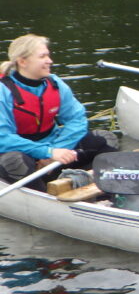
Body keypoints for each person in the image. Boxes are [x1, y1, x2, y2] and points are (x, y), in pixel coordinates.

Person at [0, 35, 117, 190]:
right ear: (23, 62)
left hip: (53, 150)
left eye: (48, 55)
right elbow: (4, 138)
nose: (50, 60)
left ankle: (88, 187)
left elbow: (77, 120)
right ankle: (43, 198)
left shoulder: (55, 84)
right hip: (20, 153)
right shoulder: (3, 90)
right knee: (15, 161)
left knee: (106, 139)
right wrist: (47, 152)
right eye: (43, 56)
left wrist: (57, 152)